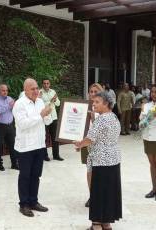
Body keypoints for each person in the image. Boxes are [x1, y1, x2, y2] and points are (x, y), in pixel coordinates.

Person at [74, 91, 122, 230]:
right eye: (93, 102)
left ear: (106, 104)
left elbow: (90, 139)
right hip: (113, 160)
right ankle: (106, 223)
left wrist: (79, 144)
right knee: (109, 192)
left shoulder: (101, 119)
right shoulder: (114, 117)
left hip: (101, 161)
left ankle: (96, 224)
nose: (93, 104)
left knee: (98, 193)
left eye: (97, 102)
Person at [13, 78, 53, 217]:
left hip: (39, 145)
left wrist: (47, 115)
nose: (36, 91)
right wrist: (41, 114)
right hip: (25, 147)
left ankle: (33, 201)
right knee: (25, 176)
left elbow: (46, 121)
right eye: (33, 89)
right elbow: (23, 124)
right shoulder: (20, 104)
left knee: (36, 175)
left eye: (37, 88)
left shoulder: (41, 101)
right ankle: (23, 204)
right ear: (25, 90)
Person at [82, 83, 104, 208]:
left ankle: (100, 196)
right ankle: (92, 196)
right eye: (91, 91)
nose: (93, 93)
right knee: (89, 170)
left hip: (99, 146)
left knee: (99, 171)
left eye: (96, 91)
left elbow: (102, 130)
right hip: (86, 142)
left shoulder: (102, 109)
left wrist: (92, 119)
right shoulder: (84, 107)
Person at [0, 84, 18, 171]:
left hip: (10, 125)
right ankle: (0, 165)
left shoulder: (10, 99)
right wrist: (9, 106)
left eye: (6, 90)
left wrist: (15, 106)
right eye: (3, 90)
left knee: (13, 145)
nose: (5, 92)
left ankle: (14, 164)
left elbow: (14, 110)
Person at [39, 79, 64, 161]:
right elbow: (40, 105)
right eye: (44, 83)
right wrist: (51, 101)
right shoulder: (39, 92)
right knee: (44, 137)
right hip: (45, 118)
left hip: (53, 117)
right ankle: (44, 156)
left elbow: (58, 104)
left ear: (49, 84)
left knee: (55, 138)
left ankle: (56, 155)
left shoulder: (53, 91)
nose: (46, 85)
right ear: (42, 84)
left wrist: (55, 100)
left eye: (47, 83)